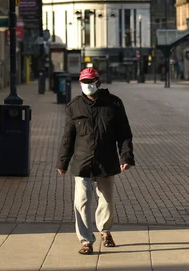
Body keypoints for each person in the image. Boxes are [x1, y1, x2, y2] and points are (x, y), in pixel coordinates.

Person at [56, 67, 135, 255]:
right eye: (84, 82)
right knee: (81, 201)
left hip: (106, 161)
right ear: (80, 83)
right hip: (82, 162)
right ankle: (86, 240)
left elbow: (124, 133)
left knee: (106, 200)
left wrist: (126, 156)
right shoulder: (74, 106)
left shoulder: (114, 104)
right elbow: (68, 137)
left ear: (98, 82)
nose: (87, 85)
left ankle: (105, 231)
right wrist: (63, 162)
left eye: (91, 82)